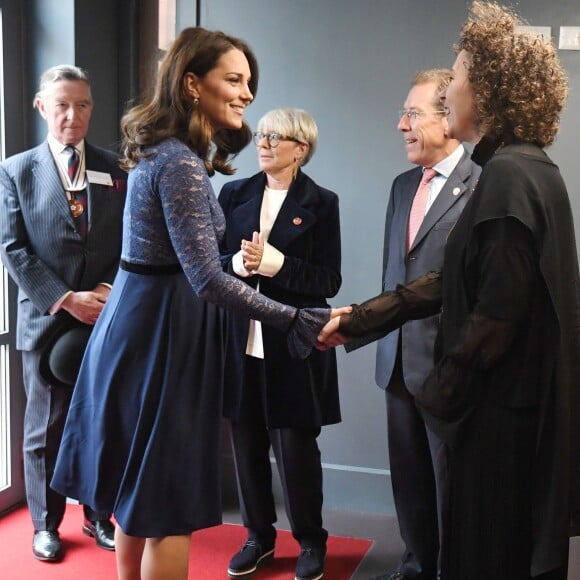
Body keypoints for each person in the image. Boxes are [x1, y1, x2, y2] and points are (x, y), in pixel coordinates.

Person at [50, 28, 342, 580]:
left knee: (139, 497)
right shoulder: (181, 162)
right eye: (233, 79)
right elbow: (206, 279)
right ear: (191, 84)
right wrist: (299, 319)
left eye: (249, 82)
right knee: (167, 509)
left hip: (146, 328)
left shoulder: (166, 153)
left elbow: (189, 266)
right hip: (163, 339)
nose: (246, 93)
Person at [318, 2, 580, 579]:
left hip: (496, 432)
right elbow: (454, 280)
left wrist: (438, 396)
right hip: (509, 422)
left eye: (456, 78)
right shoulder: (529, 170)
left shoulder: (508, 178)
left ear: (485, 90)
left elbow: (495, 317)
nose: (448, 92)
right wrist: (361, 318)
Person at [0, 64, 125, 562]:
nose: (73, 115)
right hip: (47, 317)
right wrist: (67, 298)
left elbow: (130, 240)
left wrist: (106, 289)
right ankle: (46, 525)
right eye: (62, 105)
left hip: (105, 315)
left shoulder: (116, 168)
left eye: (83, 105)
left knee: (101, 421)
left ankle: (99, 516)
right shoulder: (16, 170)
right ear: (42, 107)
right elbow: (13, 249)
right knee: (44, 430)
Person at [218, 108, 341, 580]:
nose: (263, 142)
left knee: (295, 450)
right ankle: (258, 538)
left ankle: (311, 541)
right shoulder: (235, 193)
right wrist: (238, 266)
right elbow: (215, 259)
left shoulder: (323, 202)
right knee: (246, 443)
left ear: (301, 149)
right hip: (240, 340)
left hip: (292, 344)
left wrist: (275, 264)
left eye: (276, 136)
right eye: (261, 134)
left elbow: (328, 278)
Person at [370, 70, 480, 580]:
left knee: (451, 485)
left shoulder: (482, 185)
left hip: (447, 370)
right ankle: (415, 564)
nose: (401, 125)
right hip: (395, 362)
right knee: (409, 480)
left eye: (412, 114)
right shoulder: (399, 188)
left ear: (449, 120)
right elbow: (398, 276)